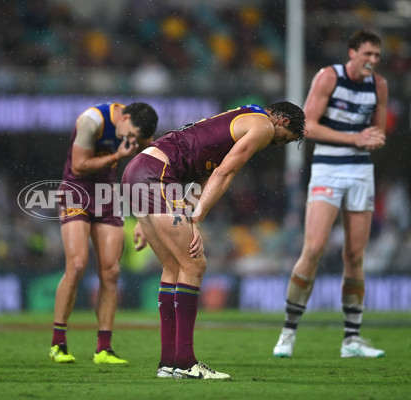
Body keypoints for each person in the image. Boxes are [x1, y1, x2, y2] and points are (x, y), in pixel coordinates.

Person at [122, 102, 306, 379]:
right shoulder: (263, 126)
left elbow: (203, 174)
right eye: (285, 139)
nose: (278, 144)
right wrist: (196, 220)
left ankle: (169, 364)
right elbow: (225, 173)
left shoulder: (238, 119)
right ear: (281, 121)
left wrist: (154, 215)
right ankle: (185, 363)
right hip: (156, 175)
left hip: (140, 170)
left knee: (174, 268)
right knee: (195, 265)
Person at [272, 30, 387, 359]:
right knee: (314, 248)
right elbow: (306, 126)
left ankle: (352, 339)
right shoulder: (328, 77)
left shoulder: (379, 85)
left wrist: (375, 139)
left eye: (377, 56)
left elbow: (377, 132)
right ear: (352, 53)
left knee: (354, 255)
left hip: (361, 172)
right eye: (367, 54)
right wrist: (354, 139)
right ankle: (288, 332)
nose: (373, 61)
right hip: (328, 170)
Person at [50, 102, 158, 364]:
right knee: (76, 266)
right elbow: (78, 166)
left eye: (136, 138)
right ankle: (58, 343)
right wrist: (116, 157)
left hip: (107, 196)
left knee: (111, 272)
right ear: (125, 117)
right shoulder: (92, 121)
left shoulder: (136, 131)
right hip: (76, 193)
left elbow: (150, 169)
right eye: (130, 134)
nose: (130, 140)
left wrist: (146, 218)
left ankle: (104, 349)